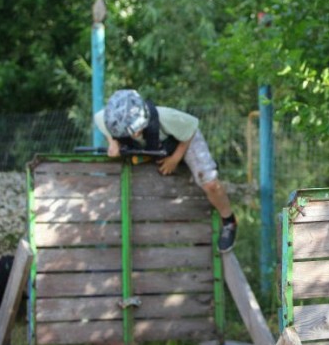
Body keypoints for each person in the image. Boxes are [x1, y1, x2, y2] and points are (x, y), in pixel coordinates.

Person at [94, 89, 237, 252]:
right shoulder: (109, 119)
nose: (135, 133)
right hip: (155, 148)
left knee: (209, 182)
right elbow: (101, 122)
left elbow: (191, 129)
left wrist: (174, 159)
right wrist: (113, 143)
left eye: (136, 128)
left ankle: (229, 221)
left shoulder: (167, 117)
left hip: (184, 139)